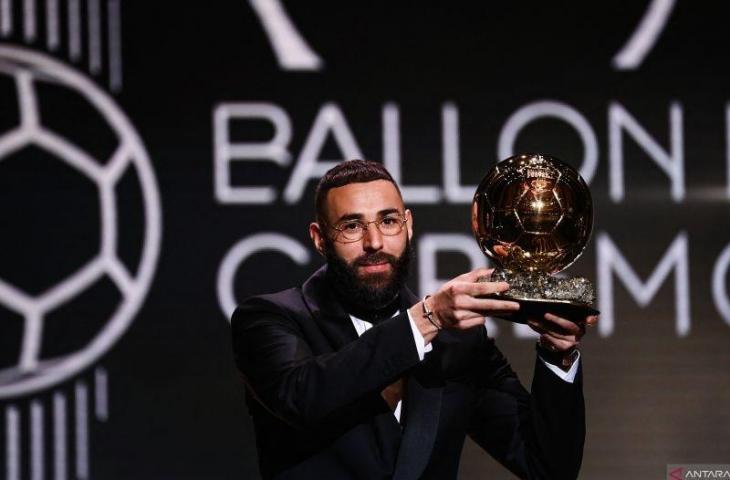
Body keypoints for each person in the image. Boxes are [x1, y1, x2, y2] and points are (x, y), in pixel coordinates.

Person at [231, 159, 598, 480]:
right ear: (320, 238)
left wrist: (557, 356)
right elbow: (303, 397)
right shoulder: (271, 319)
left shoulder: (459, 343)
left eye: (388, 221)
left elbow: (548, 466)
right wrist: (428, 318)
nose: (374, 242)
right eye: (352, 226)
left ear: (408, 226)